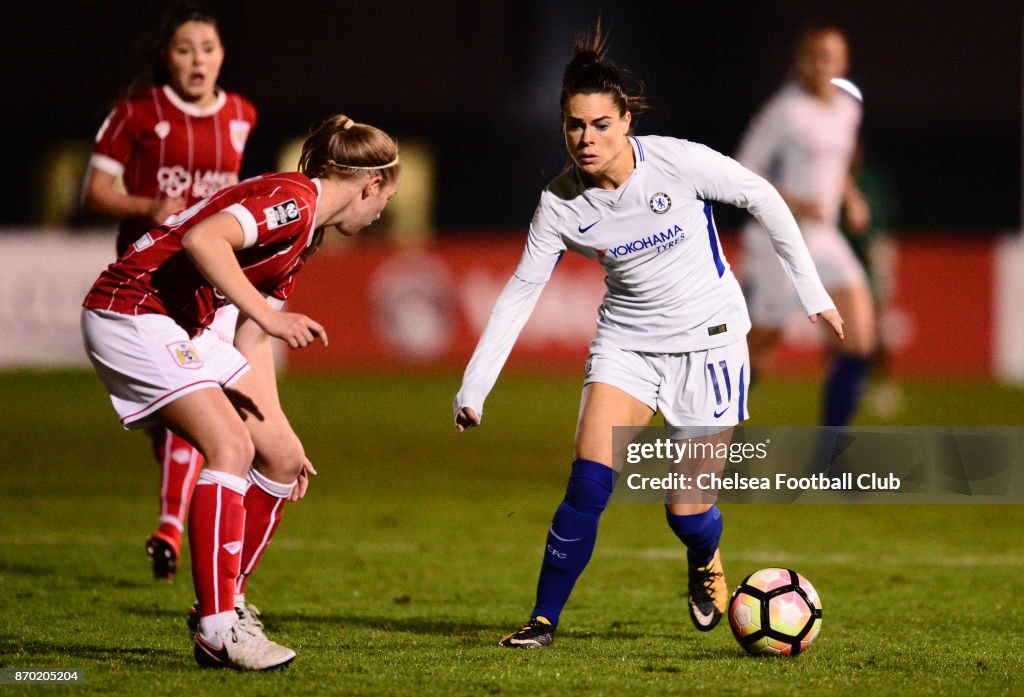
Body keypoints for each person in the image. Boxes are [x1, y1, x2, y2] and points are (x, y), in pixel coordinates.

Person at [453, 27, 843, 649]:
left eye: (601, 125)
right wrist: (475, 386)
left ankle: (704, 556)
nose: (587, 139)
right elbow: (520, 292)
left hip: (711, 341)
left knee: (685, 511)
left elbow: (763, 196)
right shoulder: (560, 204)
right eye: (575, 126)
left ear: (625, 121)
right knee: (587, 483)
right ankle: (543, 620)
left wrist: (812, 292)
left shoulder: (673, 161)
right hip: (627, 345)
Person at [82, 114, 400, 670]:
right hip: (132, 308)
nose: (380, 216)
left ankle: (230, 603)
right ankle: (217, 627)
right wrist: (267, 316)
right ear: (371, 184)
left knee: (277, 457)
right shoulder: (293, 200)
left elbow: (251, 339)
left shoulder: (304, 236)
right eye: (384, 202)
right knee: (231, 447)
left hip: (183, 324)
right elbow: (205, 239)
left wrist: (281, 429)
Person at [82, 4, 258, 580]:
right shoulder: (135, 114)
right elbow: (94, 192)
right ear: (168, 56)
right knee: (176, 419)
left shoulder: (241, 114)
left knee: (199, 392)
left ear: (223, 54)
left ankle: (168, 526)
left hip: (206, 285)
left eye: (207, 47)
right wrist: (147, 207)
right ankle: (172, 505)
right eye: (185, 48)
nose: (197, 59)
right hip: (144, 283)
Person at [736, 23, 875, 429]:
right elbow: (743, 168)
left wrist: (851, 197)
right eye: (812, 57)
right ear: (800, 62)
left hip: (825, 237)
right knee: (760, 347)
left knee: (860, 339)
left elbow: (837, 164)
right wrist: (794, 201)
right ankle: (698, 428)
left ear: (842, 63)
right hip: (778, 239)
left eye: (828, 57)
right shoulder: (784, 110)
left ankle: (830, 459)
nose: (819, 65)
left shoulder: (848, 108)